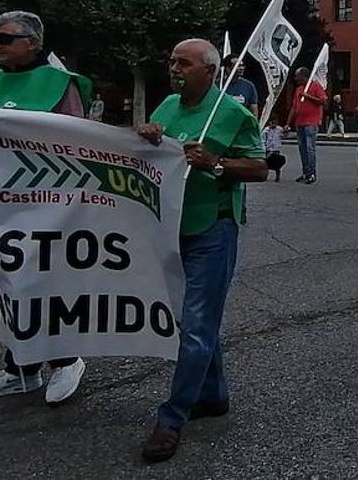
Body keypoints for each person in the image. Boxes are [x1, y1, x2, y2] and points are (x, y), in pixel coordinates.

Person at [137, 39, 267, 463]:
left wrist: (216, 163)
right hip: (171, 227)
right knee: (194, 322)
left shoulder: (232, 112)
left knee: (195, 326)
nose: (174, 68)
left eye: (184, 63)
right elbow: (148, 156)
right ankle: (212, 395)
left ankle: (172, 418)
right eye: (172, 61)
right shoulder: (166, 107)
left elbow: (260, 167)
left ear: (209, 72)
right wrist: (148, 136)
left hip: (212, 228)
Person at [0, 11, 95, 403]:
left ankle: (66, 361)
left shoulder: (61, 84)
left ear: (33, 43)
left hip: (48, 203)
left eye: (5, 38)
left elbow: (77, 143)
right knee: (9, 282)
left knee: (48, 284)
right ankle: (20, 368)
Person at [285, 67, 324, 183]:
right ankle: (306, 172)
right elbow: (294, 107)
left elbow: (322, 101)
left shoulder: (315, 86)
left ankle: (312, 173)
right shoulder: (298, 90)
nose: (296, 78)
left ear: (304, 76)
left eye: (297, 76)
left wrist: (308, 97)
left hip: (311, 122)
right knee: (302, 149)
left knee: (309, 148)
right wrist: (288, 123)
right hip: (299, 122)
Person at [220, 55, 259, 119]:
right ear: (228, 68)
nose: (241, 68)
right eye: (237, 65)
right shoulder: (219, 85)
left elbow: (254, 112)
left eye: (242, 65)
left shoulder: (249, 86)